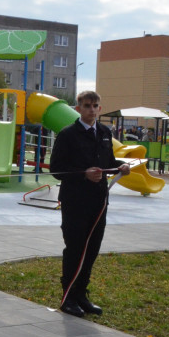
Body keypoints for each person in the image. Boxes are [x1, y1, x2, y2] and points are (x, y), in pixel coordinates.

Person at [49, 90, 130, 317]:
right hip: (75, 202)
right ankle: (68, 298)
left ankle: (82, 295)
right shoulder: (67, 135)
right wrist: (83, 174)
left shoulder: (104, 132)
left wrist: (121, 166)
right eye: (87, 106)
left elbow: (108, 161)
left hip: (99, 201)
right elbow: (56, 168)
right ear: (78, 109)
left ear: (100, 108)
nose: (91, 110)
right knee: (75, 249)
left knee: (92, 250)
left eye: (95, 106)